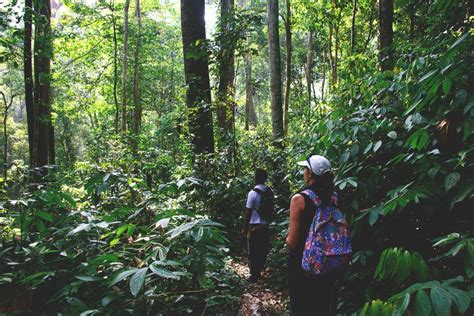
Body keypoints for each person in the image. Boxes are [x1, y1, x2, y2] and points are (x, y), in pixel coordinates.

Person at [286, 155, 342, 316]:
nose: (304, 172)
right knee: (323, 307)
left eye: (305, 169)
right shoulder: (335, 197)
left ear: (310, 174)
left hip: (303, 264)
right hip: (330, 261)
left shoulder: (299, 199)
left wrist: (287, 240)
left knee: (303, 308)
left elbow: (293, 241)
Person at [241, 168, 273, 283]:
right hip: (265, 226)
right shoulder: (269, 192)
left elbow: (248, 212)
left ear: (256, 178)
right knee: (262, 251)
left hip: (254, 227)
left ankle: (254, 275)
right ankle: (258, 272)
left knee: (253, 251)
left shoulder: (253, 193)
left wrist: (244, 229)